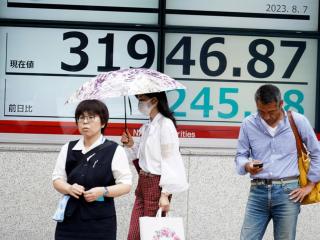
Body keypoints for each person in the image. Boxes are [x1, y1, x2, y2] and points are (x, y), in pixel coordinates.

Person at [235, 84, 320, 240]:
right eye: (261, 111)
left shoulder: (298, 121)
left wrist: (310, 184)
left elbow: (317, 152)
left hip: (288, 193)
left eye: (271, 112)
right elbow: (240, 155)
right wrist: (247, 165)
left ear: (281, 104)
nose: (266, 116)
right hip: (258, 192)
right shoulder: (248, 123)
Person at [52, 99, 132, 240]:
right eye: (81, 117)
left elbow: (126, 185)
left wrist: (103, 191)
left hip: (100, 223)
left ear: (103, 123)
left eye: (91, 117)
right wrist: (69, 188)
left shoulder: (114, 150)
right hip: (70, 220)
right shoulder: (68, 148)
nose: (85, 122)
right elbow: (57, 179)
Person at [121, 91, 189, 240]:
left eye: (143, 99)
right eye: (138, 99)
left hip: (156, 185)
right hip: (143, 183)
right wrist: (131, 144)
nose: (140, 103)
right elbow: (144, 157)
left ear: (154, 101)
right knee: (134, 234)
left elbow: (171, 159)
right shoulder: (149, 126)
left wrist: (165, 194)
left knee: (150, 234)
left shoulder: (165, 125)